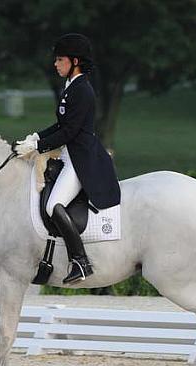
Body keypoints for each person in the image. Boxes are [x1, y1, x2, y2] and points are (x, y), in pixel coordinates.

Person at [14, 33, 121, 284]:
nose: (55, 64)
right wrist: (34, 137)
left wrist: (38, 145)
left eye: (60, 59)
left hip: (81, 159)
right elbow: (61, 124)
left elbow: (70, 132)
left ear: (74, 61)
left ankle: (81, 262)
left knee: (53, 205)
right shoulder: (71, 87)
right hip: (70, 155)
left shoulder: (82, 89)